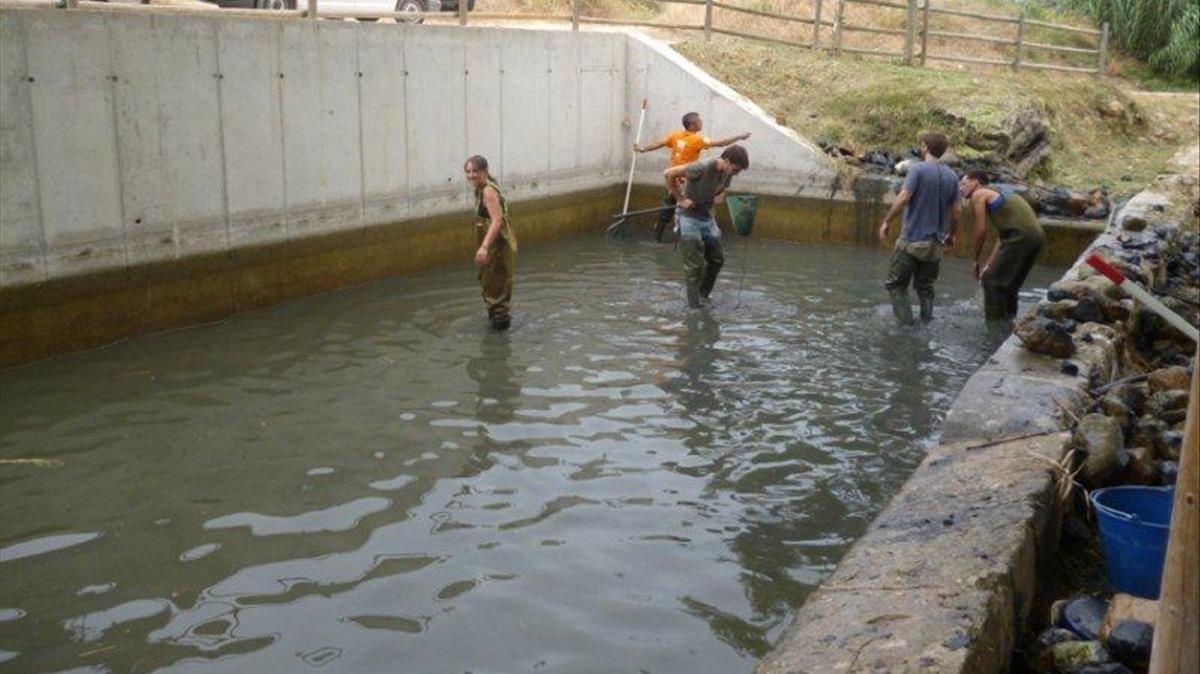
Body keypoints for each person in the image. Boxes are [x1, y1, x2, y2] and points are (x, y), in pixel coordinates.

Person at [878, 132, 960, 325]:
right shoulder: (952, 176)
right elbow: (956, 211)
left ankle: (906, 327)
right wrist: (952, 235)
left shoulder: (917, 170)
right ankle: (927, 324)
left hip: (912, 240)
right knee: (926, 287)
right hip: (936, 243)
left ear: (924, 146)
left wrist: (887, 220)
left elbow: (904, 197)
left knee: (896, 285)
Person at [635, 112, 751, 241]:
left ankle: (657, 239)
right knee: (687, 212)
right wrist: (739, 137)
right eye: (699, 121)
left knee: (666, 211)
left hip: (673, 183)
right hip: (688, 183)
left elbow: (659, 143)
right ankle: (684, 238)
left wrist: (643, 149)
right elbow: (721, 143)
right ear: (692, 124)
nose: (701, 122)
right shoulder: (697, 140)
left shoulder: (675, 136)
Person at [663, 145, 749, 309]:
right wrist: (681, 199)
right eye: (736, 169)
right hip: (688, 218)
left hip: (706, 218)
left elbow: (722, 190)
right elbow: (669, 174)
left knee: (716, 260)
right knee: (695, 266)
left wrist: (720, 196)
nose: (736, 173)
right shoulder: (701, 167)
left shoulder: (726, 173)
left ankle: (703, 295)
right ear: (727, 160)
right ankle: (694, 307)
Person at [959, 170, 1045, 320]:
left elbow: (981, 229)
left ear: (976, 183)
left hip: (1019, 236)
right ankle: (1010, 323)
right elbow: (1003, 236)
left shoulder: (978, 194)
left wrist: (975, 260)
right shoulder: (999, 192)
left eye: (964, 183)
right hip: (1036, 236)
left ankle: (994, 327)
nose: (961, 188)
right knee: (1010, 286)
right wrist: (989, 263)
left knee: (990, 281)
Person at [464, 155, 517, 331]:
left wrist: (484, 247)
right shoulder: (482, 187)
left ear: (485, 171)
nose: (471, 175)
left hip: (497, 246)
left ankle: (500, 339)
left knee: (497, 288)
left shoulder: (487, 191)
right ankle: (497, 324)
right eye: (468, 171)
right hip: (495, 244)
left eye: (475, 171)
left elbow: (497, 221)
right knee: (491, 285)